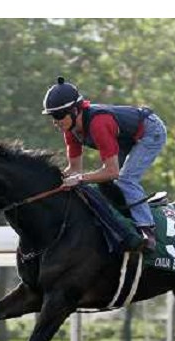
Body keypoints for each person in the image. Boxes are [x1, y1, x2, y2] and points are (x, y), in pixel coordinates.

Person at [42, 76, 167, 251]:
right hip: (125, 138)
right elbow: (74, 169)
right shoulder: (70, 131)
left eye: (58, 115)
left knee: (125, 179)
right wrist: (52, 182)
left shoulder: (98, 123)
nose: (55, 122)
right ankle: (123, 215)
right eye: (52, 117)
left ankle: (147, 230)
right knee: (105, 183)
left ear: (75, 111)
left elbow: (112, 171)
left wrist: (80, 179)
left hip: (150, 131)